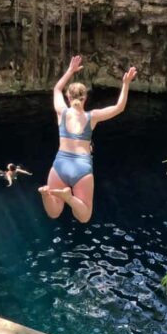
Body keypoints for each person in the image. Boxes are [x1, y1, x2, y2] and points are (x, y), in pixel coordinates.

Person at [39, 55, 137, 223]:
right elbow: (119, 108)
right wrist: (126, 83)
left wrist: (70, 70)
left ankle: (45, 194)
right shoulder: (92, 117)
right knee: (84, 216)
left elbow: (56, 89)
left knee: (53, 213)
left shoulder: (62, 112)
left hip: (60, 164)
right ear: (85, 98)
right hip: (81, 168)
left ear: (68, 98)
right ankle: (69, 198)